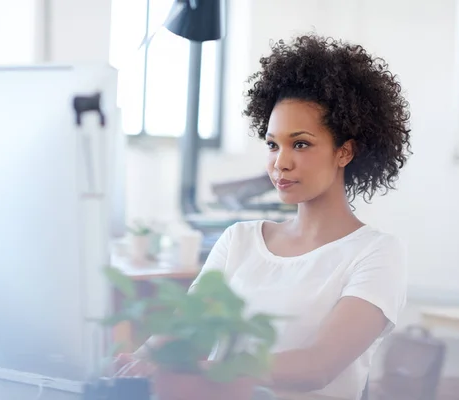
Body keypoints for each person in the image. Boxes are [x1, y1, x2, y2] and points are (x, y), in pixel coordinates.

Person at [114, 34, 412, 400]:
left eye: (300, 144)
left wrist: (200, 369)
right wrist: (136, 363)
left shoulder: (376, 253)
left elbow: (317, 366)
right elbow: (181, 333)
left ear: (344, 152)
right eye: (273, 144)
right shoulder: (239, 240)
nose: (280, 162)